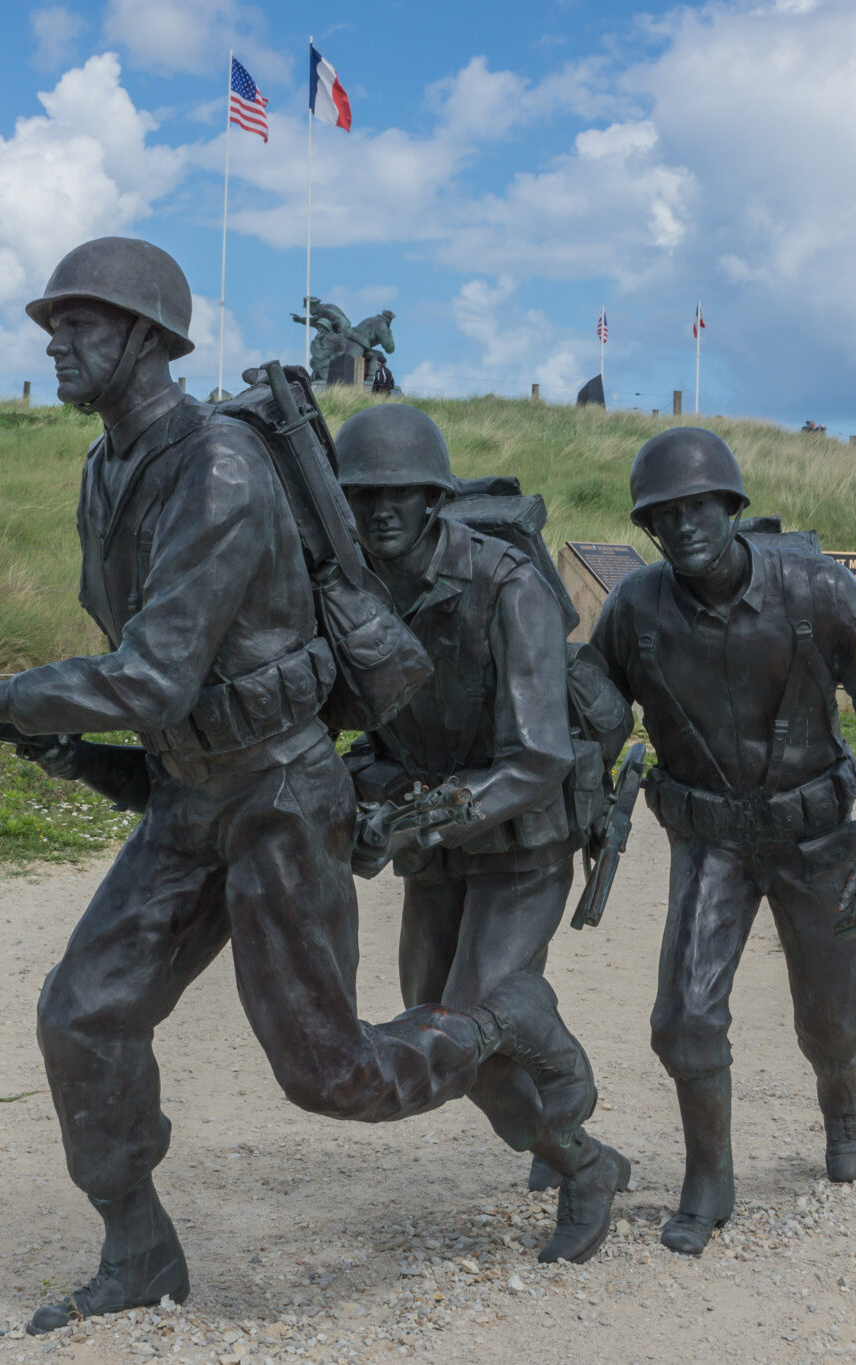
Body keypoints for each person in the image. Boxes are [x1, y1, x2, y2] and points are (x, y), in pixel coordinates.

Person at [0, 237, 597, 1326]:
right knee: (83, 1014)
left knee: (331, 1074)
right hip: (188, 792)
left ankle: (502, 1030)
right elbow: (154, 670)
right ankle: (139, 1252)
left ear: (147, 339)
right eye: (52, 326)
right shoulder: (105, 467)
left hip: (277, 796)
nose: (55, 342)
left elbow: (151, 670)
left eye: (78, 324)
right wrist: (73, 741)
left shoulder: (215, 467)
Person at [588, 427, 856, 1256]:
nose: (683, 527)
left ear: (732, 507)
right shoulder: (635, 610)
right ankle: (711, 1176)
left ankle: (844, 1103)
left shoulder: (817, 589)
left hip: (816, 835)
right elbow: (589, 709)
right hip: (713, 842)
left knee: (834, 1014)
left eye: (699, 507)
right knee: (683, 1019)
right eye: (663, 517)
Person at [337, 403, 629, 1264]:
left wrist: (420, 815)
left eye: (402, 492)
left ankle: (580, 1155)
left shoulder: (507, 584)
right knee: (432, 1012)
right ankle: (549, 1090)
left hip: (522, 836)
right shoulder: (352, 588)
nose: (382, 510)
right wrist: (365, 797)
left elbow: (537, 754)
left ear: (434, 495)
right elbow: (363, 726)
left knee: (461, 1029)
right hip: (434, 842)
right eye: (364, 496)